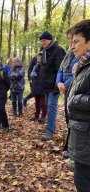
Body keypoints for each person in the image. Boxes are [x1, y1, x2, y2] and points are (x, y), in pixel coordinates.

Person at [67, 19, 90, 192]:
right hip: (82, 137)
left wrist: (74, 99)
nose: (72, 47)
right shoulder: (83, 66)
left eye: (76, 42)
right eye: (71, 42)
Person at [56, 27, 79, 160]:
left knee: (75, 120)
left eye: (73, 37)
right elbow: (61, 69)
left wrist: (65, 84)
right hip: (65, 90)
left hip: (73, 89)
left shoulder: (82, 53)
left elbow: (77, 72)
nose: (71, 41)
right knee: (68, 118)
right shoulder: (69, 52)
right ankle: (69, 147)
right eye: (70, 38)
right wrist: (59, 83)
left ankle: (72, 150)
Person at [38, 31, 66, 141]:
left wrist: (57, 85)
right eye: (41, 41)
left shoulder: (57, 50)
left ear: (50, 40)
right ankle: (50, 127)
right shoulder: (44, 51)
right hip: (46, 85)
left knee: (51, 107)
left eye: (44, 40)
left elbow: (61, 69)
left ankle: (50, 131)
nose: (43, 42)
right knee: (48, 107)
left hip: (54, 86)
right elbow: (43, 68)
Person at [28, 53, 47, 123]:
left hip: (43, 86)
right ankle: (36, 115)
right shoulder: (36, 66)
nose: (38, 59)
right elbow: (32, 75)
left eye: (40, 58)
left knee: (44, 103)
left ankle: (43, 116)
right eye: (38, 58)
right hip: (36, 86)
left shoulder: (45, 65)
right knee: (37, 102)